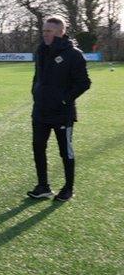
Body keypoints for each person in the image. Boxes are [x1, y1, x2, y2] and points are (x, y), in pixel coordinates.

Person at [27, 16, 91, 202]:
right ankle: (43, 186)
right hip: (40, 112)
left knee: (66, 151)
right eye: (44, 30)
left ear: (60, 32)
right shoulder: (41, 50)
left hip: (62, 114)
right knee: (38, 148)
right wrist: (36, 92)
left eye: (49, 31)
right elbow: (37, 77)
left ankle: (68, 188)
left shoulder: (74, 54)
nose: (45, 34)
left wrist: (64, 100)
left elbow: (84, 83)